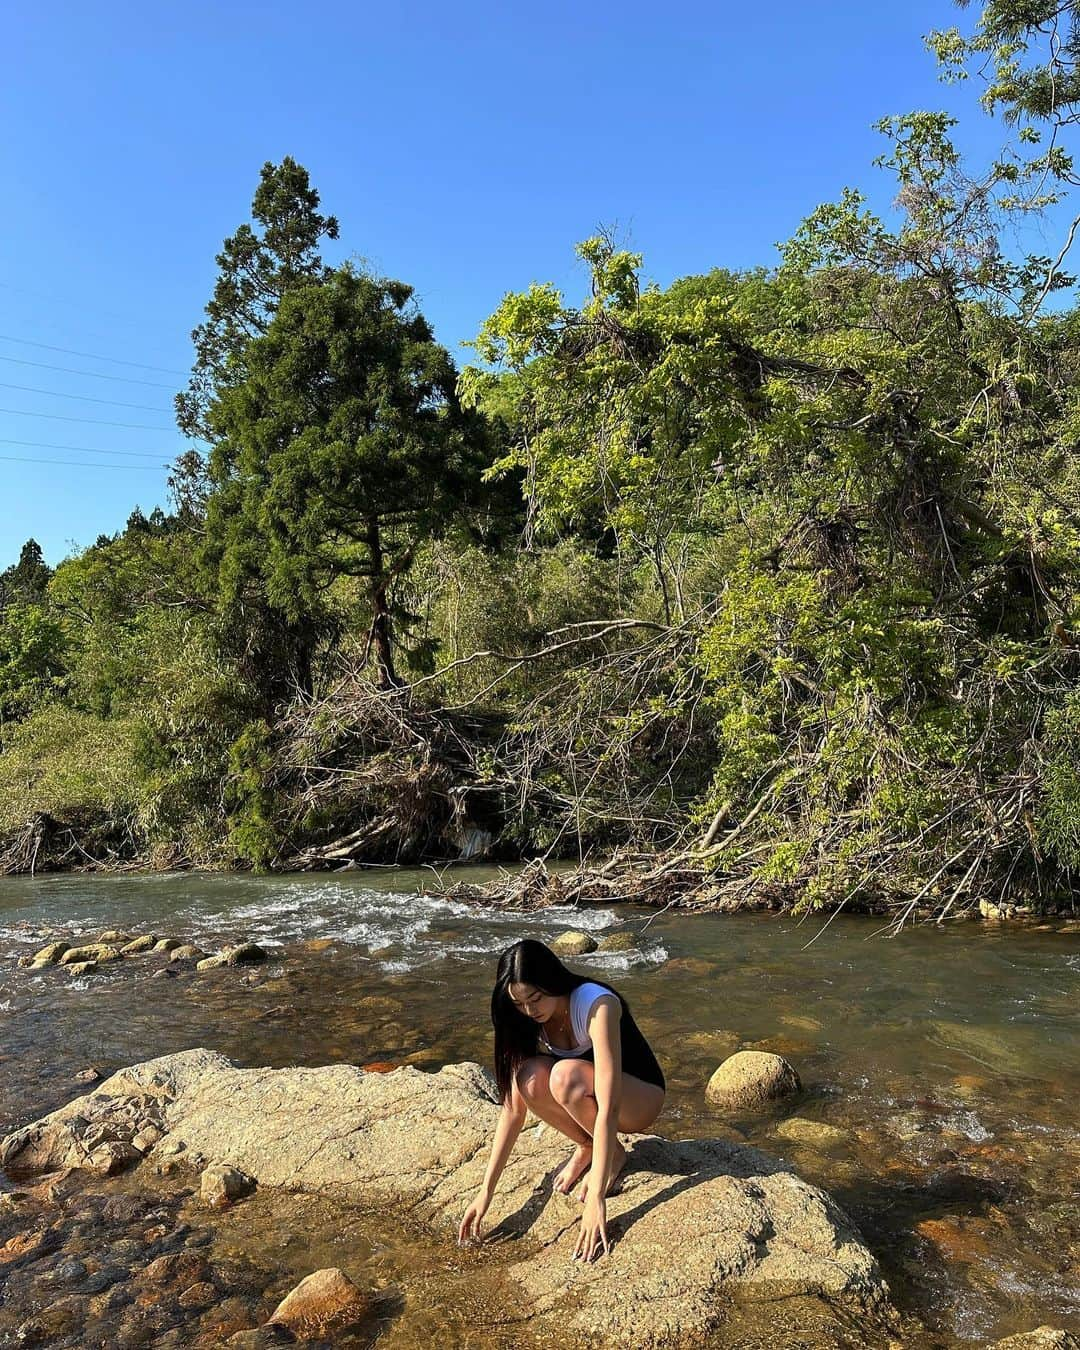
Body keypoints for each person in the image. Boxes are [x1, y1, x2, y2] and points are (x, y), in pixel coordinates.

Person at [458, 937, 665, 1262]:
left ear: (552, 980)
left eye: (536, 998)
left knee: (564, 1076)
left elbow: (609, 1104)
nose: (529, 1010)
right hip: (592, 1096)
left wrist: (597, 1195)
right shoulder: (527, 1019)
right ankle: (587, 1145)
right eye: (519, 1003)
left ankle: (611, 1155)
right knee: (528, 1078)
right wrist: (486, 1192)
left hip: (640, 1098)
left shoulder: (597, 1005)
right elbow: (513, 1110)